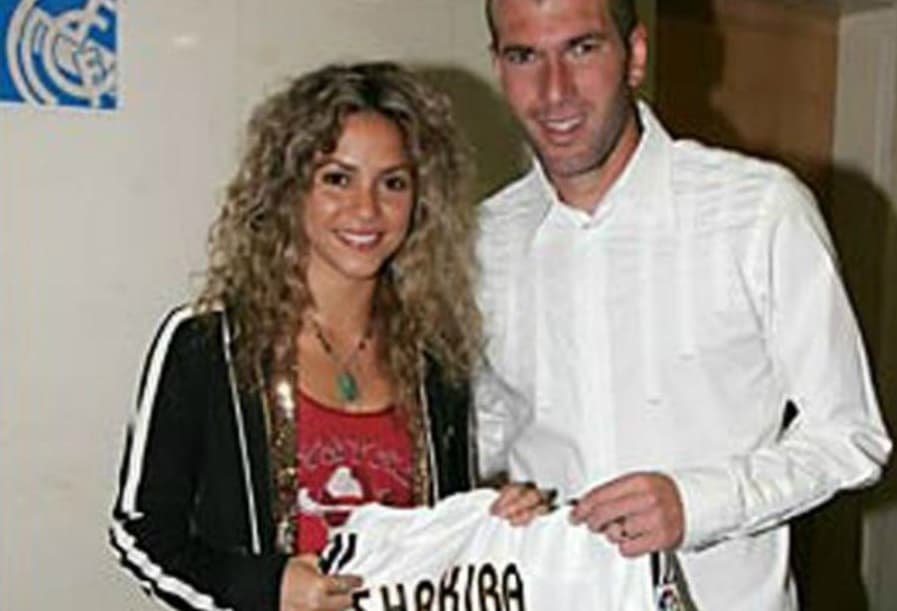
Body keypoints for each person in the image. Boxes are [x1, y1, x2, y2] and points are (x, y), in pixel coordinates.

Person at [476, 1, 892, 609]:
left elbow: (851, 437)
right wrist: (486, 496)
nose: (554, 89)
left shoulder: (759, 211)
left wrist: (696, 505)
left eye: (582, 48)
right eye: (524, 56)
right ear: (498, 67)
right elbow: (489, 428)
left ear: (635, 55)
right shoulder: (482, 240)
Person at [109, 62, 493, 611]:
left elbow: (449, 538)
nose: (367, 209)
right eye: (337, 178)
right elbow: (142, 534)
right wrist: (266, 588)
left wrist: (499, 522)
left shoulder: (436, 358)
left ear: (421, 200)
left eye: (393, 182)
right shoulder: (206, 344)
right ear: (290, 189)